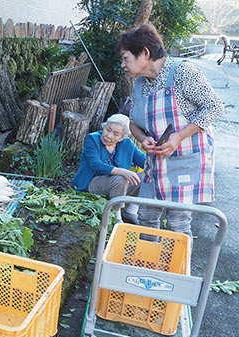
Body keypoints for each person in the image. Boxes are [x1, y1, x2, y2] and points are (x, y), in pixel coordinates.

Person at [118, 23, 224, 236]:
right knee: (146, 218)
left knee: (177, 224)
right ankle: (149, 266)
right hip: (156, 163)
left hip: (185, 163)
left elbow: (214, 107)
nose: (123, 65)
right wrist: (142, 138)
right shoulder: (140, 84)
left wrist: (178, 136)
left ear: (145, 53)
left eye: (125, 58)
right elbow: (133, 122)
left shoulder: (182, 72)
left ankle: (174, 269)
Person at [72, 113, 146, 223]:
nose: (109, 135)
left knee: (149, 174)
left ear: (121, 138)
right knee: (120, 178)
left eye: (116, 134)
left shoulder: (127, 144)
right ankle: (117, 216)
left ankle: (131, 211)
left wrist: (157, 162)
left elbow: (143, 161)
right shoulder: (92, 139)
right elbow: (95, 164)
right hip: (92, 182)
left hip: (118, 185)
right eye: (108, 129)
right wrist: (122, 171)